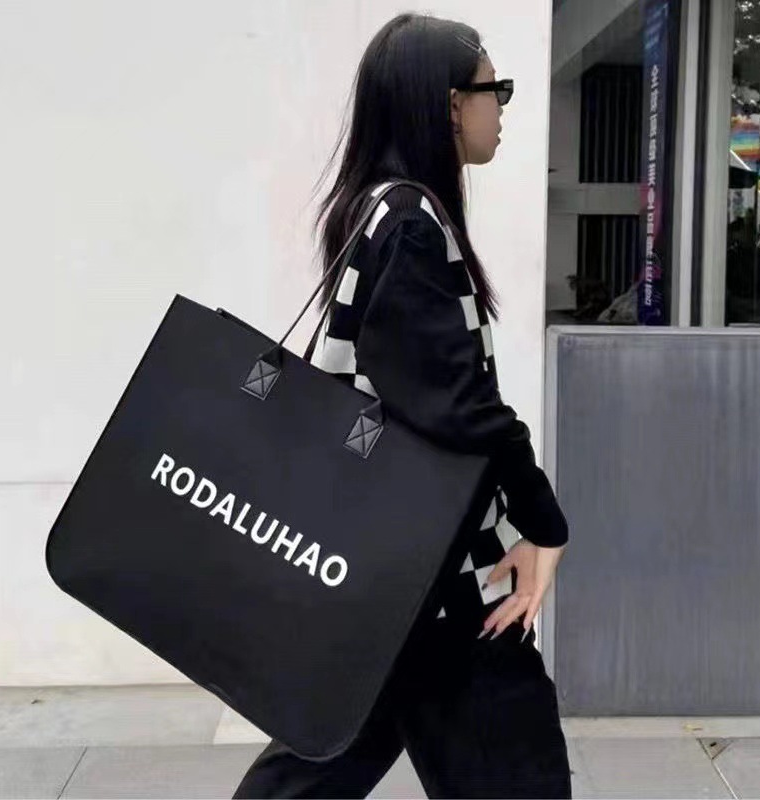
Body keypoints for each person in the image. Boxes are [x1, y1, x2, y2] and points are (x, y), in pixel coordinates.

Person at [233, 13, 571, 799]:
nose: (501, 109)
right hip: (440, 579)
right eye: (495, 90)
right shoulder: (411, 223)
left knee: (319, 763)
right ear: (451, 103)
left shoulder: (379, 209)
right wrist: (544, 522)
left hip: (394, 574)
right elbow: (457, 406)